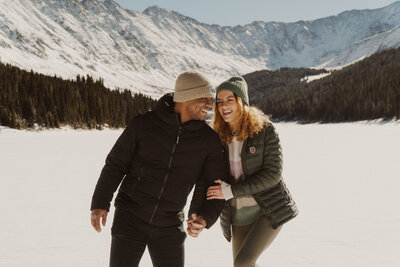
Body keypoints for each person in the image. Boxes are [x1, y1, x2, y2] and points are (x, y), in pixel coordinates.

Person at [90, 71, 228, 267]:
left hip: (170, 224)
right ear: (185, 97)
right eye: (204, 98)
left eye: (211, 99)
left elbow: (213, 184)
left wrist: (204, 217)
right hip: (130, 217)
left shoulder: (209, 141)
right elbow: (115, 164)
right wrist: (100, 203)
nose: (209, 104)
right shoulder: (143, 125)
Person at [206, 77, 298, 267]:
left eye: (229, 100)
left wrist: (230, 191)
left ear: (241, 101)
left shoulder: (264, 130)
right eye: (220, 102)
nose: (224, 106)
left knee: (243, 262)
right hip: (237, 214)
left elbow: (273, 174)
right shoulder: (218, 136)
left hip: (267, 209)